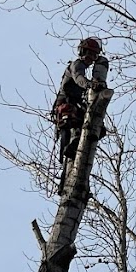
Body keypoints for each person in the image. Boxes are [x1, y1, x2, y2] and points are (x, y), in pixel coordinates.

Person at [51, 38, 112, 188]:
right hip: (66, 106)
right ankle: (74, 143)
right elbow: (79, 79)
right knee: (77, 122)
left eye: (94, 56)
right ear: (82, 52)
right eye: (89, 54)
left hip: (76, 106)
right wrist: (91, 85)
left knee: (99, 129)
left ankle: (77, 144)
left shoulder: (85, 67)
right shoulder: (76, 65)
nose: (91, 59)